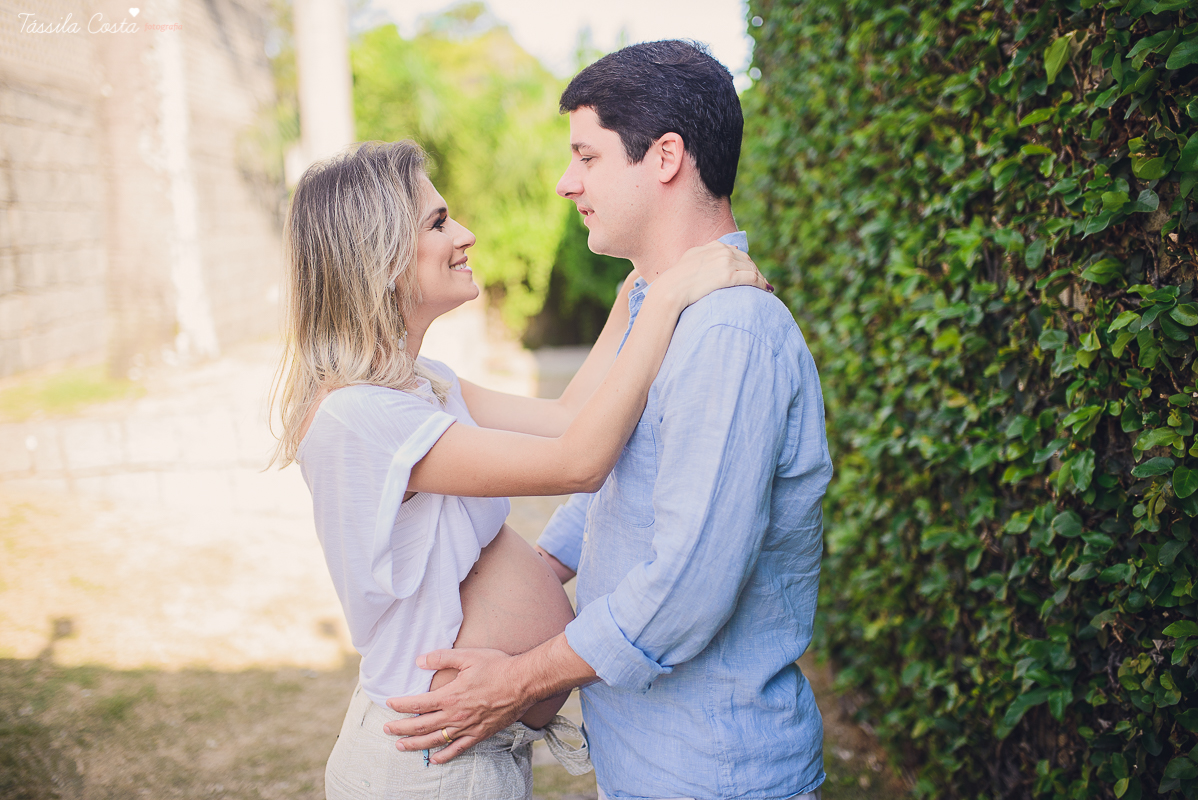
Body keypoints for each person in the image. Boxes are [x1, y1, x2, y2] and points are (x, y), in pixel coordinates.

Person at [383, 40, 834, 800]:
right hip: (647, 761)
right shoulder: (655, 305)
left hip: (713, 772)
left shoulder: (728, 333)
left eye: (586, 157)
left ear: (665, 158)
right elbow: (618, 484)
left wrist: (518, 678)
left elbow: (688, 587)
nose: (566, 183)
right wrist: (529, 581)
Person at [270, 139, 767, 799]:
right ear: (379, 258)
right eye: (439, 222)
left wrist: (637, 292)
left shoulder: (422, 386)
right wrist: (674, 296)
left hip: (467, 744)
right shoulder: (356, 417)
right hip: (430, 762)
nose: (466, 234)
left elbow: (567, 417)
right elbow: (577, 462)